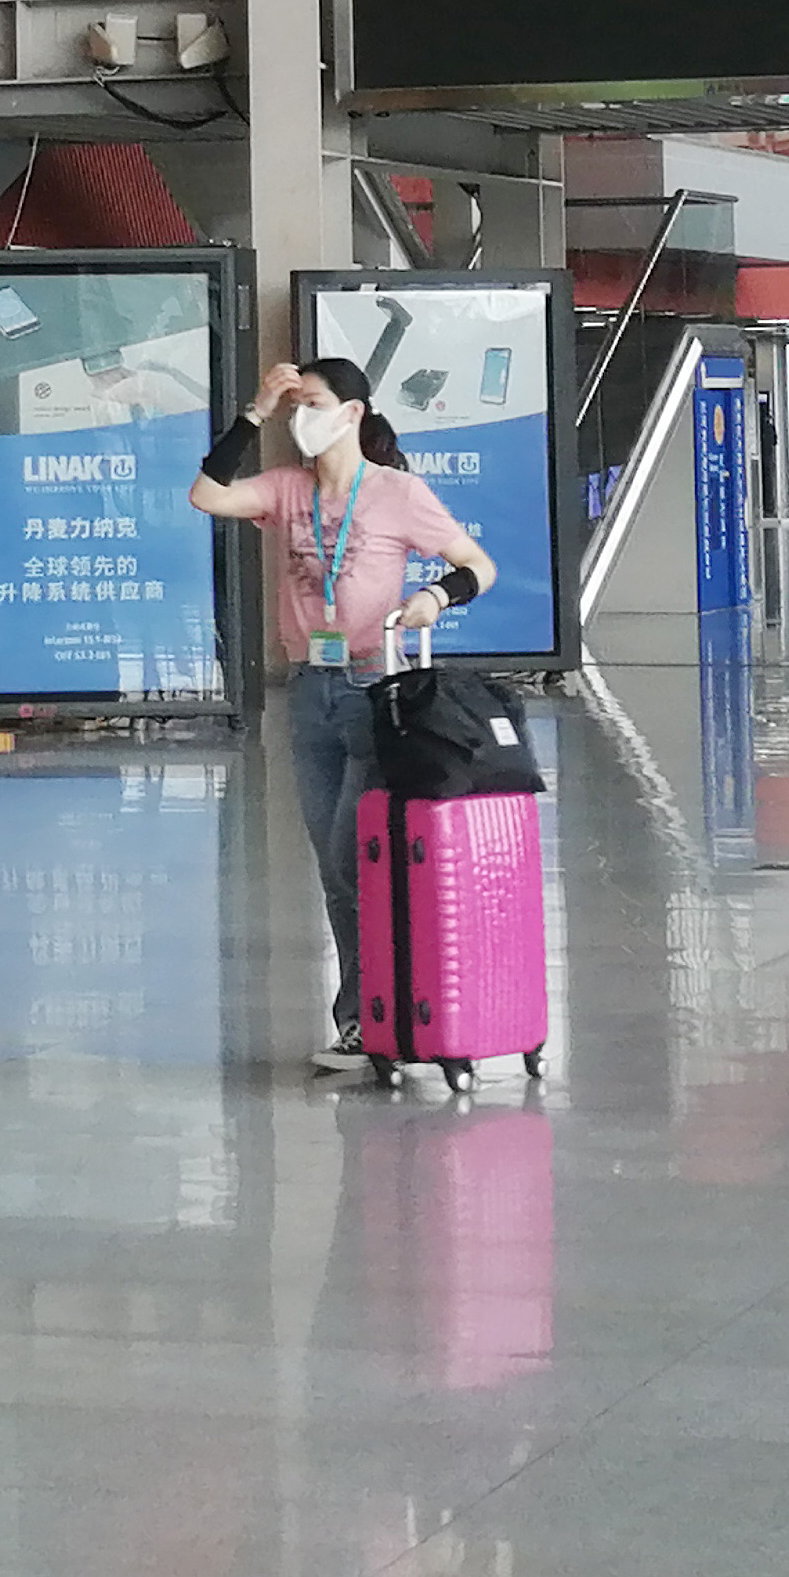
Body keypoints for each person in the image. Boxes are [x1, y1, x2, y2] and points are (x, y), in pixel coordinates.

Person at [188, 351, 501, 1070]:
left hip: (374, 689)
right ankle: (365, 1018)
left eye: (316, 403)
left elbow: (477, 565)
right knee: (337, 873)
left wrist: (435, 597)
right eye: (296, 406)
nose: (303, 417)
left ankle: (396, 1006)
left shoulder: (397, 492)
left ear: (353, 413)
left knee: (352, 854)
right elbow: (207, 494)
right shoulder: (284, 489)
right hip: (309, 691)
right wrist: (254, 413)